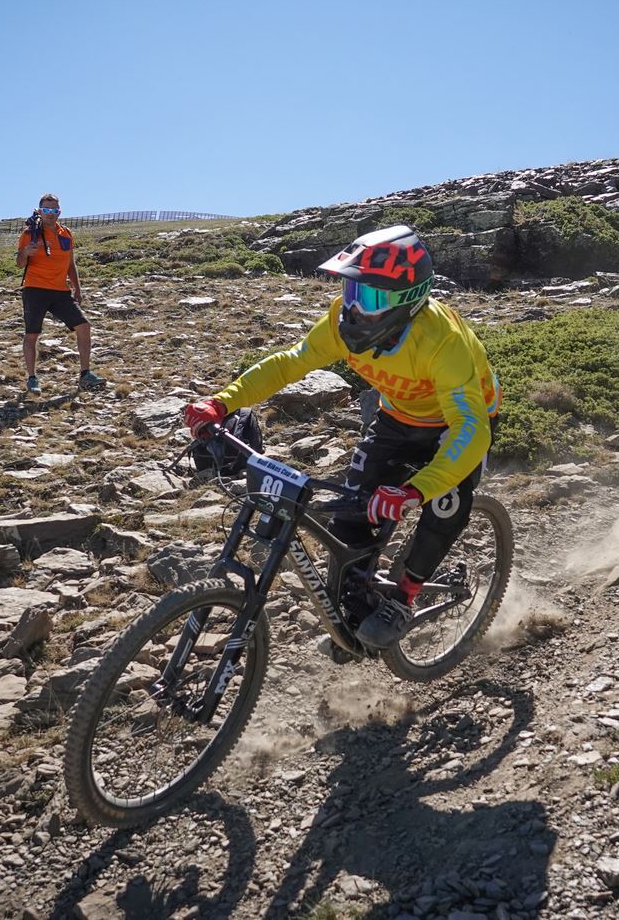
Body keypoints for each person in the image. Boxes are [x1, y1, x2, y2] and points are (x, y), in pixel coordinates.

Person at [182, 224, 500, 650]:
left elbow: (471, 430)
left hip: (458, 425)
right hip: (396, 417)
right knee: (353, 514)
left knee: (445, 504)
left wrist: (414, 491)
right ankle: (357, 613)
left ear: (406, 300)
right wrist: (222, 403)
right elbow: (289, 365)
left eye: (368, 298)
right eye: (352, 292)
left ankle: (404, 598)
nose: (352, 308)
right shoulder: (340, 321)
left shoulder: (442, 342)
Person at [16, 193, 106, 393]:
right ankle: (32, 378)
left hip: (60, 291)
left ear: (59, 212)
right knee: (32, 334)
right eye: (46, 210)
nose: (50, 214)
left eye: (54, 210)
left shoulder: (66, 233)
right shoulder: (29, 234)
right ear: (40, 211)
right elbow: (19, 263)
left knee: (84, 326)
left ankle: (85, 374)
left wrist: (77, 288)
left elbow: (70, 263)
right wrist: (25, 253)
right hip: (35, 289)